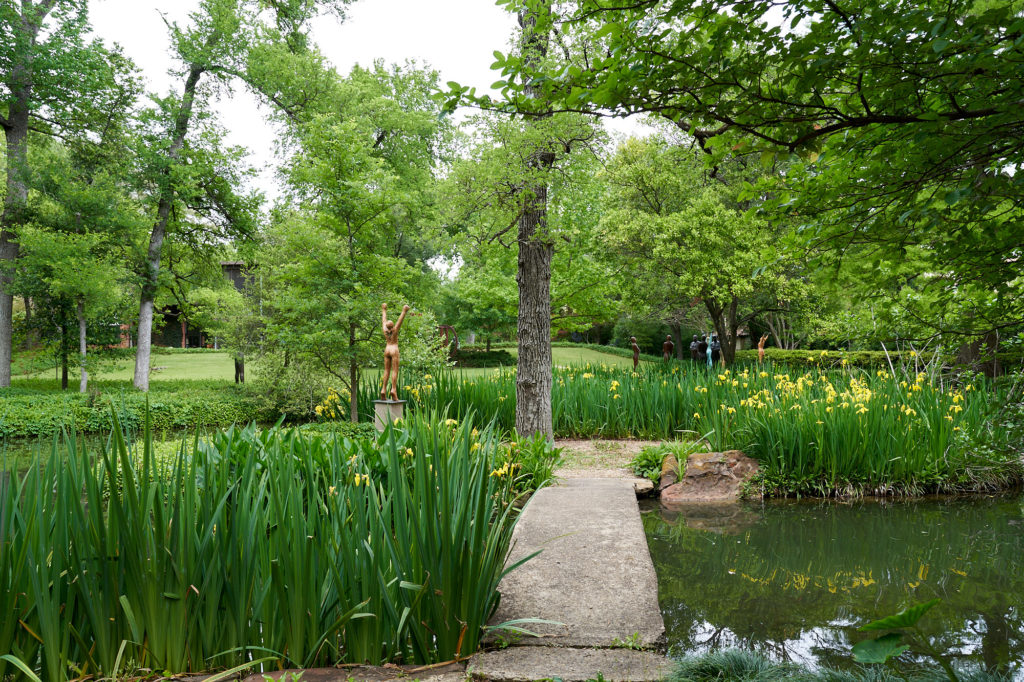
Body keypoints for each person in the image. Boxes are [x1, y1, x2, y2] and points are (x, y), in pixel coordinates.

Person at [380, 303, 410, 400]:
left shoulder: (385, 329)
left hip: (387, 348)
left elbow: (384, 319)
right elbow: (400, 320)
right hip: (394, 349)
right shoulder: (395, 330)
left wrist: (384, 309)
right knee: (395, 370)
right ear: (392, 326)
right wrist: (404, 311)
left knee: (386, 370)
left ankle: (383, 389)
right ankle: (393, 389)